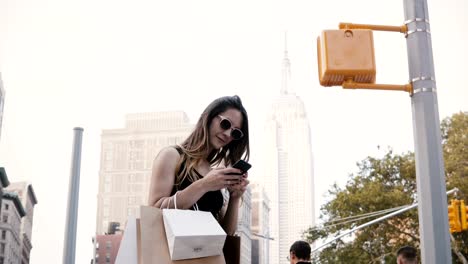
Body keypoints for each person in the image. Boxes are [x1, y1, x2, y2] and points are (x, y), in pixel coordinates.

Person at [148, 95, 250, 236]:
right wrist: (204, 185)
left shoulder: (212, 173)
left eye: (235, 132)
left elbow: (226, 234)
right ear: (208, 117)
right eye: (225, 124)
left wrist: (235, 197)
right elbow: (154, 211)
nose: (227, 134)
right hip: (170, 255)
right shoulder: (171, 155)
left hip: (206, 256)